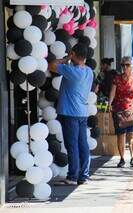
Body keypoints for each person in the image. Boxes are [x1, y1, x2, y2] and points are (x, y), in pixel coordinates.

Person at [48, 43, 93, 185]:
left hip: (70, 113)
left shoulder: (72, 71)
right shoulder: (89, 71)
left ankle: (72, 176)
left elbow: (52, 65)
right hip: (82, 113)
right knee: (83, 144)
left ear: (73, 54)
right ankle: (83, 175)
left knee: (72, 145)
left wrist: (66, 58)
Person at [109, 56, 133, 168]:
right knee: (121, 134)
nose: (125, 67)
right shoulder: (116, 78)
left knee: (131, 133)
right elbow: (113, 92)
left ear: (132, 66)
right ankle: (122, 159)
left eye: (127, 65)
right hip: (119, 110)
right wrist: (109, 103)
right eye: (123, 65)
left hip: (131, 110)